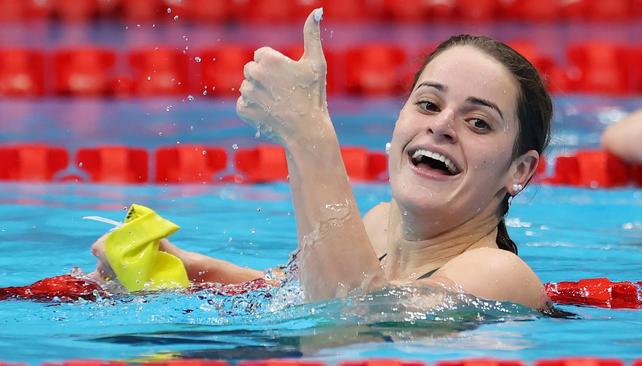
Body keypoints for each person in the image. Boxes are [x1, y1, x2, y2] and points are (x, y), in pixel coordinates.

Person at [90, 8, 553, 311]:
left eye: (478, 123)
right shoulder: (378, 226)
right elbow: (290, 293)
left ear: (520, 171)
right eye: (428, 105)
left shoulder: (499, 276)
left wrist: (307, 131)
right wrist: (186, 269)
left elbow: (352, 329)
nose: (442, 125)